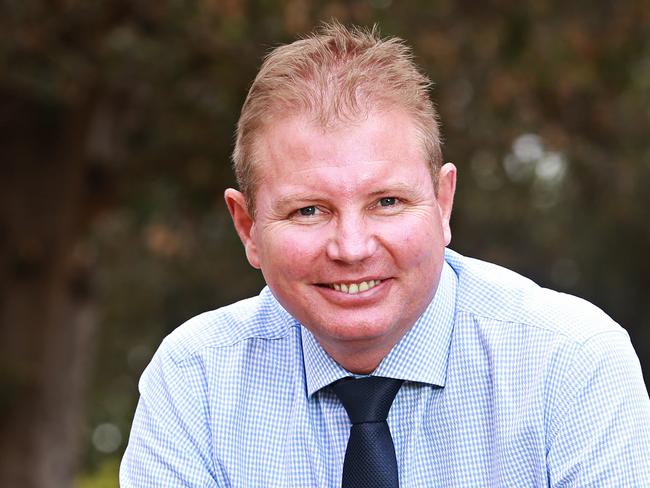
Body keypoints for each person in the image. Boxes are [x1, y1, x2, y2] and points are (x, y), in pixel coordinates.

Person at [120, 22, 650, 486]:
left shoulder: (573, 363)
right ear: (248, 227)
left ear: (443, 203)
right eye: (309, 210)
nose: (352, 248)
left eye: (387, 202)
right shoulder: (195, 381)